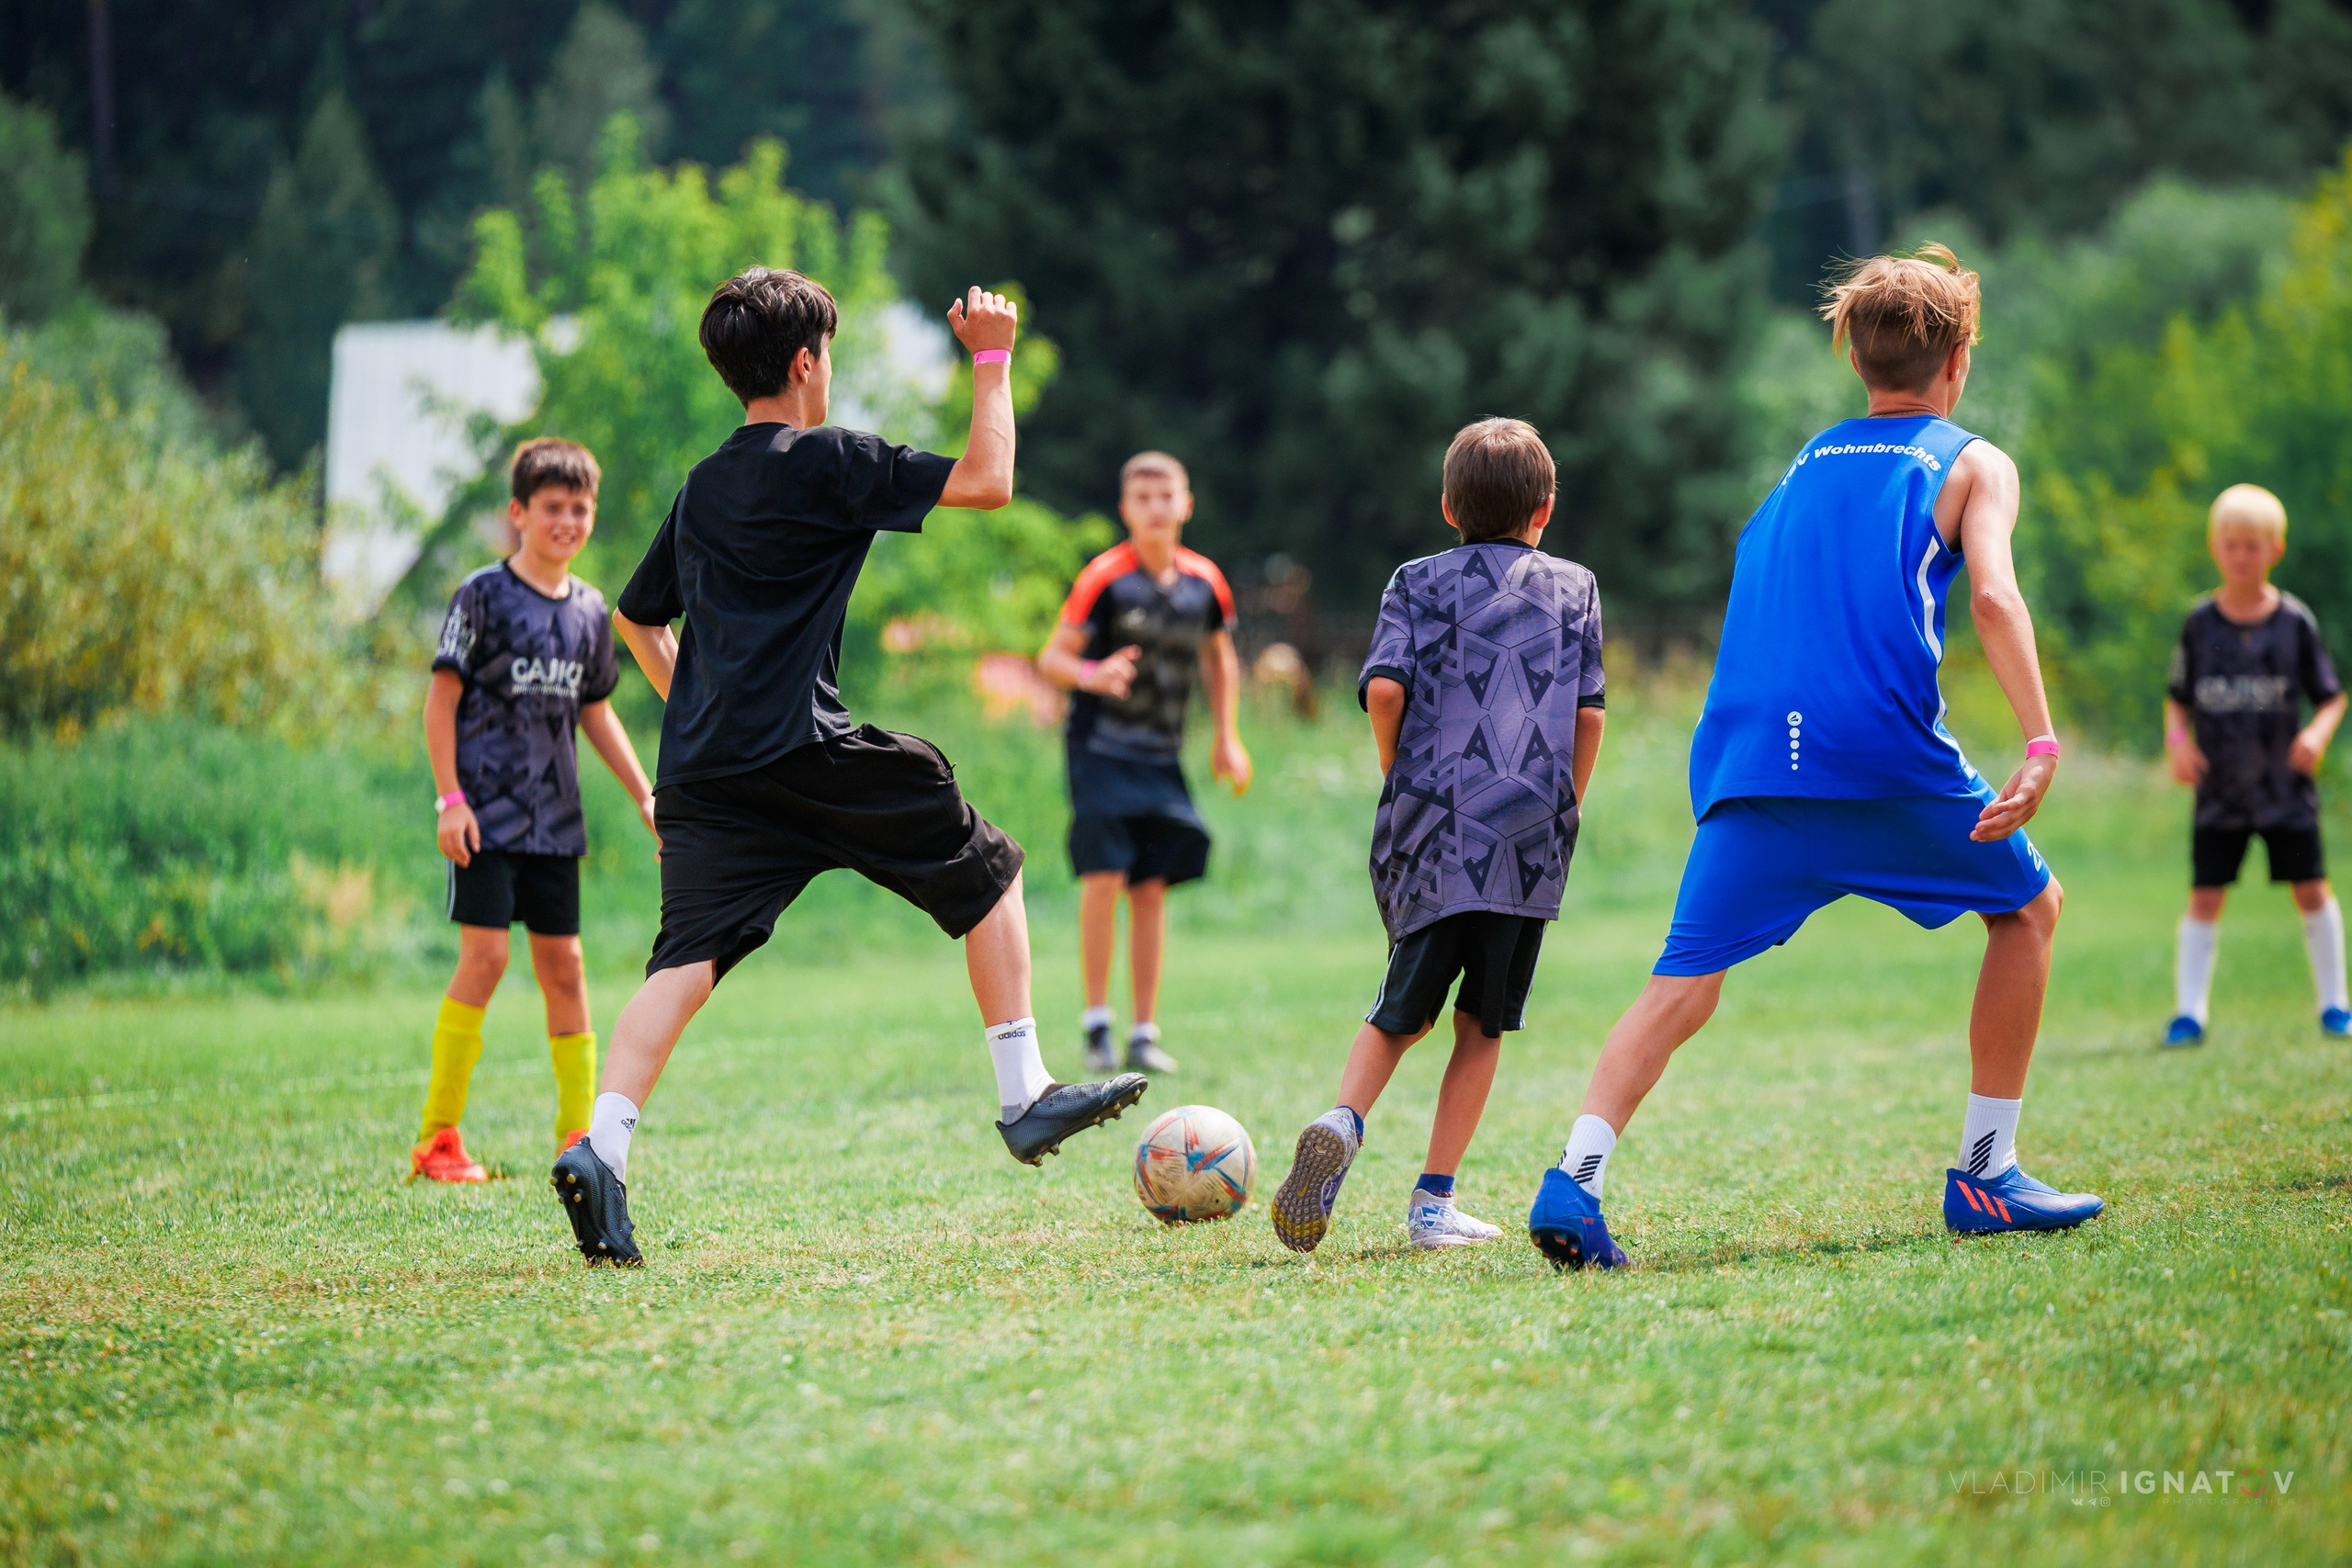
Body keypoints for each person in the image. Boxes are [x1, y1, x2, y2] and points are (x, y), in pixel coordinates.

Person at [550, 268, 1148, 1266]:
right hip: (802, 746)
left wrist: (700, 711)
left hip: (705, 770)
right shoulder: (826, 460)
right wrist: (990, 359)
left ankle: (601, 1145)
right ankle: (1024, 1090)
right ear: (804, 363)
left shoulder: (704, 483)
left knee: (684, 961)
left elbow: (638, 615)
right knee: (987, 864)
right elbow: (989, 481)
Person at [1526, 244, 2103, 1271]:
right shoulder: (1971, 461)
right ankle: (1986, 1170)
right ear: (1958, 359)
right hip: (1878, 760)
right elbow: (1993, 597)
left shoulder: (1800, 466)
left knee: (1680, 984)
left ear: (1853, 359)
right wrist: (2041, 739)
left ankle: (1572, 1178)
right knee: (2026, 910)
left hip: (1751, 764)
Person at [1267, 418, 1606, 1253]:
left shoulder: (1415, 581)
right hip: (1528, 829)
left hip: (1435, 822)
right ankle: (1432, 1202)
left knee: (1399, 1010)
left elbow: (1384, 689)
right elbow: (1589, 712)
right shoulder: (1576, 587)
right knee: (1481, 1025)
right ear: (1547, 508)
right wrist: (1566, 803)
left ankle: (1343, 1120)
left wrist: (1399, 774)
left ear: (1449, 506)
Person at [413, 438, 659, 1183]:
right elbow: (440, 700)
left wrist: (646, 793)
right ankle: (438, 1140)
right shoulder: (481, 596)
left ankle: (577, 1138)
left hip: (556, 820)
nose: (568, 520)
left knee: (567, 968)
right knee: (485, 960)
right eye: (552, 507)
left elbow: (597, 713)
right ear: (518, 513)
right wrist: (449, 800)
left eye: (580, 508)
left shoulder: (589, 611)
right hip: (484, 817)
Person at [1035, 452, 1251, 1076]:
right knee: (1104, 877)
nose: (1157, 506)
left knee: (1151, 887)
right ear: (1126, 509)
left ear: (1186, 504)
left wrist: (1227, 737)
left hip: (1162, 753)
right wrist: (1091, 673)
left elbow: (1220, 657)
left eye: (1167, 495)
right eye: (1143, 496)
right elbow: (1051, 658)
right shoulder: (1103, 577)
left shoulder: (1205, 581)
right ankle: (1096, 1023)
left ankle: (1143, 1031)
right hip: (1099, 747)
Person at [2163, 483, 2348, 1045]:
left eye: (2254, 544)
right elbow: (2179, 695)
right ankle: (2189, 1013)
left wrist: (2317, 733)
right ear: (2216, 548)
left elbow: (2332, 695)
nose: (2243, 554)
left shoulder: (2294, 623)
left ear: (2276, 550)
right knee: (2205, 895)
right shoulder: (2200, 624)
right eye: (2232, 544)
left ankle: (2336, 1005)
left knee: (2312, 888)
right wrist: (2176, 739)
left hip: (2284, 789)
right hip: (2220, 791)